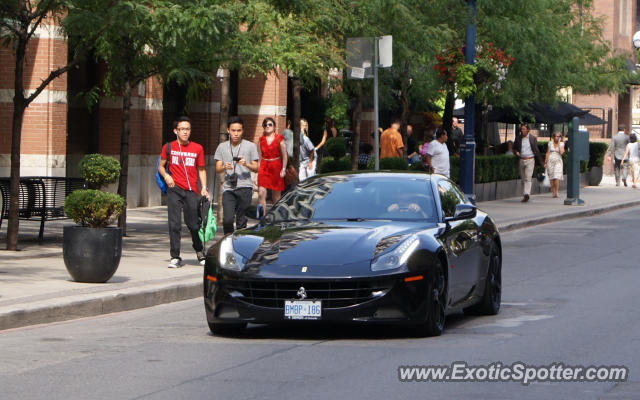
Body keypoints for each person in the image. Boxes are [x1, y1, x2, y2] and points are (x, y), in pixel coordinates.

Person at [157, 116, 210, 268]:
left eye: (188, 129)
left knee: (193, 224)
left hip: (191, 190)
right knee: (174, 224)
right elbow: (161, 166)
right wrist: (167, 176)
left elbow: (201, 169)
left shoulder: (197, 148)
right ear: (176, 131)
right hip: (174, 189)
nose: (185, 132)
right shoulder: (169, 147)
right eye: (182, 129)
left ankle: (199, 251)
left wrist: (204, 187)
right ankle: (175, 256)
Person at [214, 116, 259, 235]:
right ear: (228, 130)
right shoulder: (222, 147)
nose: (236, 134)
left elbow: (257, 167)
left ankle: (239, 245)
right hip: (229, 188)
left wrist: (246, 164)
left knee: (241, 221)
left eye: (239, 131)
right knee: (227, 220)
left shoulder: (250, 146)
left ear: (242, 131)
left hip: (245, 187)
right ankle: (227, 243)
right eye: (233, 130)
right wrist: (224, 167)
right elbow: (217, 169)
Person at [257, 117, 287, 216]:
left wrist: (283, 168)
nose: (267, 126)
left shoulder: (279, 138)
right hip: (264, 166)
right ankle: (261, 218)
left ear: (274, 126)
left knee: (276, 196)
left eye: (270, 124)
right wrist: (255, 174)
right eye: (265, 125)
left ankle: (276, 217)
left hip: (276, 166)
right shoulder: (260, 140)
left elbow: (284, 155)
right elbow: (259, 157)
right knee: (261, 193)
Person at [513, 125, 544, 203]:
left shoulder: (532, 138)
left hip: (530, 159)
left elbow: (536, 149)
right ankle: (524, 194)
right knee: (523, 179)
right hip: (521, 160)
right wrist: (516, 152)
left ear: (527, 130)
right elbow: (514, 147)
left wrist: (539, 162)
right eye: (521, 129)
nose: (522, 130)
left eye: (523, 129)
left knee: (528, 177)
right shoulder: (518, 138)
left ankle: (527, 194)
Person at [544, 132, 565, 198]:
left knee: (556, 176)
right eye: (555, 136)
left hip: (557, 161)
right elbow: (547, 152)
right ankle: (553, 192)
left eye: (558, 136)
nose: (556, 137)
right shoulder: (550, 143)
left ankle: (556, 192)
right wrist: (545, 161)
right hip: (550, 160)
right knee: (551, 177)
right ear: (553, 137)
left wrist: (558, 144)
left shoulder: (561, 144)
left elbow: (561, 152)